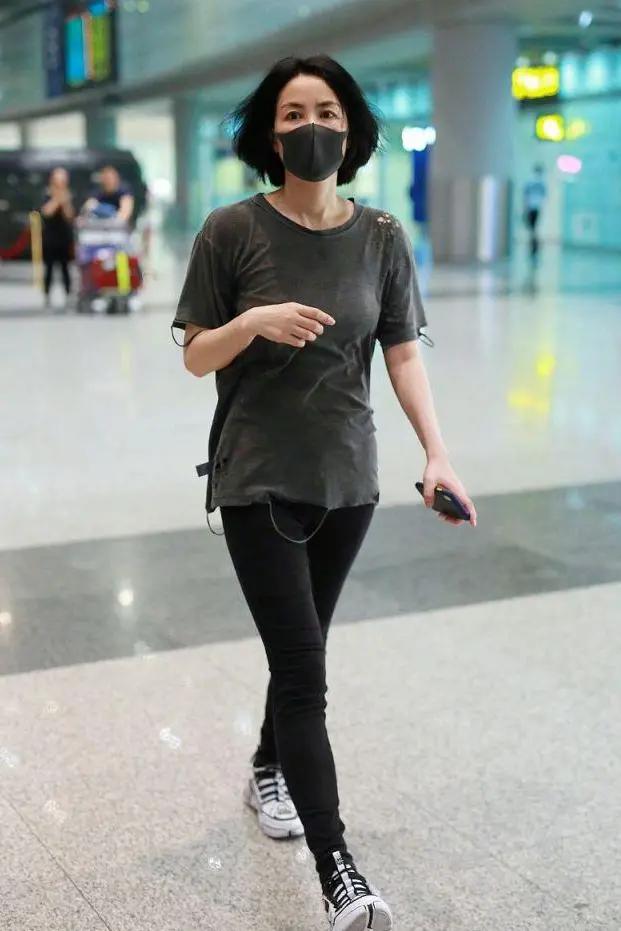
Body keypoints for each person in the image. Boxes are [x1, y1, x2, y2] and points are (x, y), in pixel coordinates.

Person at [171, 55, 477, 931]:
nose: (314, 127)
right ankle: (339, 871)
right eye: (295, 114)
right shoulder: (231, 230)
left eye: (329, 112)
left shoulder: (379, 234)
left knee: (300, 646)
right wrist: (251, 321)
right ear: (272, 136)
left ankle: (268, 765)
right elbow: (195, 355)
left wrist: (437, 453)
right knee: (305, 670)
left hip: (348, 478)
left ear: (352, 130)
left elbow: (401, 350)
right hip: (257, 477)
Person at [41, 167, 75, 306]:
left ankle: (68, 293)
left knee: (66, 268)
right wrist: (57, 199)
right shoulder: (46, 194)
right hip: (50, 238)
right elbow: (46, 212)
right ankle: (47, 294)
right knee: (48, 268)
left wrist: (65, 201)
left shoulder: (69, 195)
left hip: (64, 237)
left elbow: (70, 216)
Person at [523, 163, 547, 260]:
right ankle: (534, 245)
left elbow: (526, 196)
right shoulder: (541, 183)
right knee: (533, 228)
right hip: (535, 208)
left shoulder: (530, 182)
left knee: (532, 228)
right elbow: (544, 196)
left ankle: (534, 245)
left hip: (532, 207)